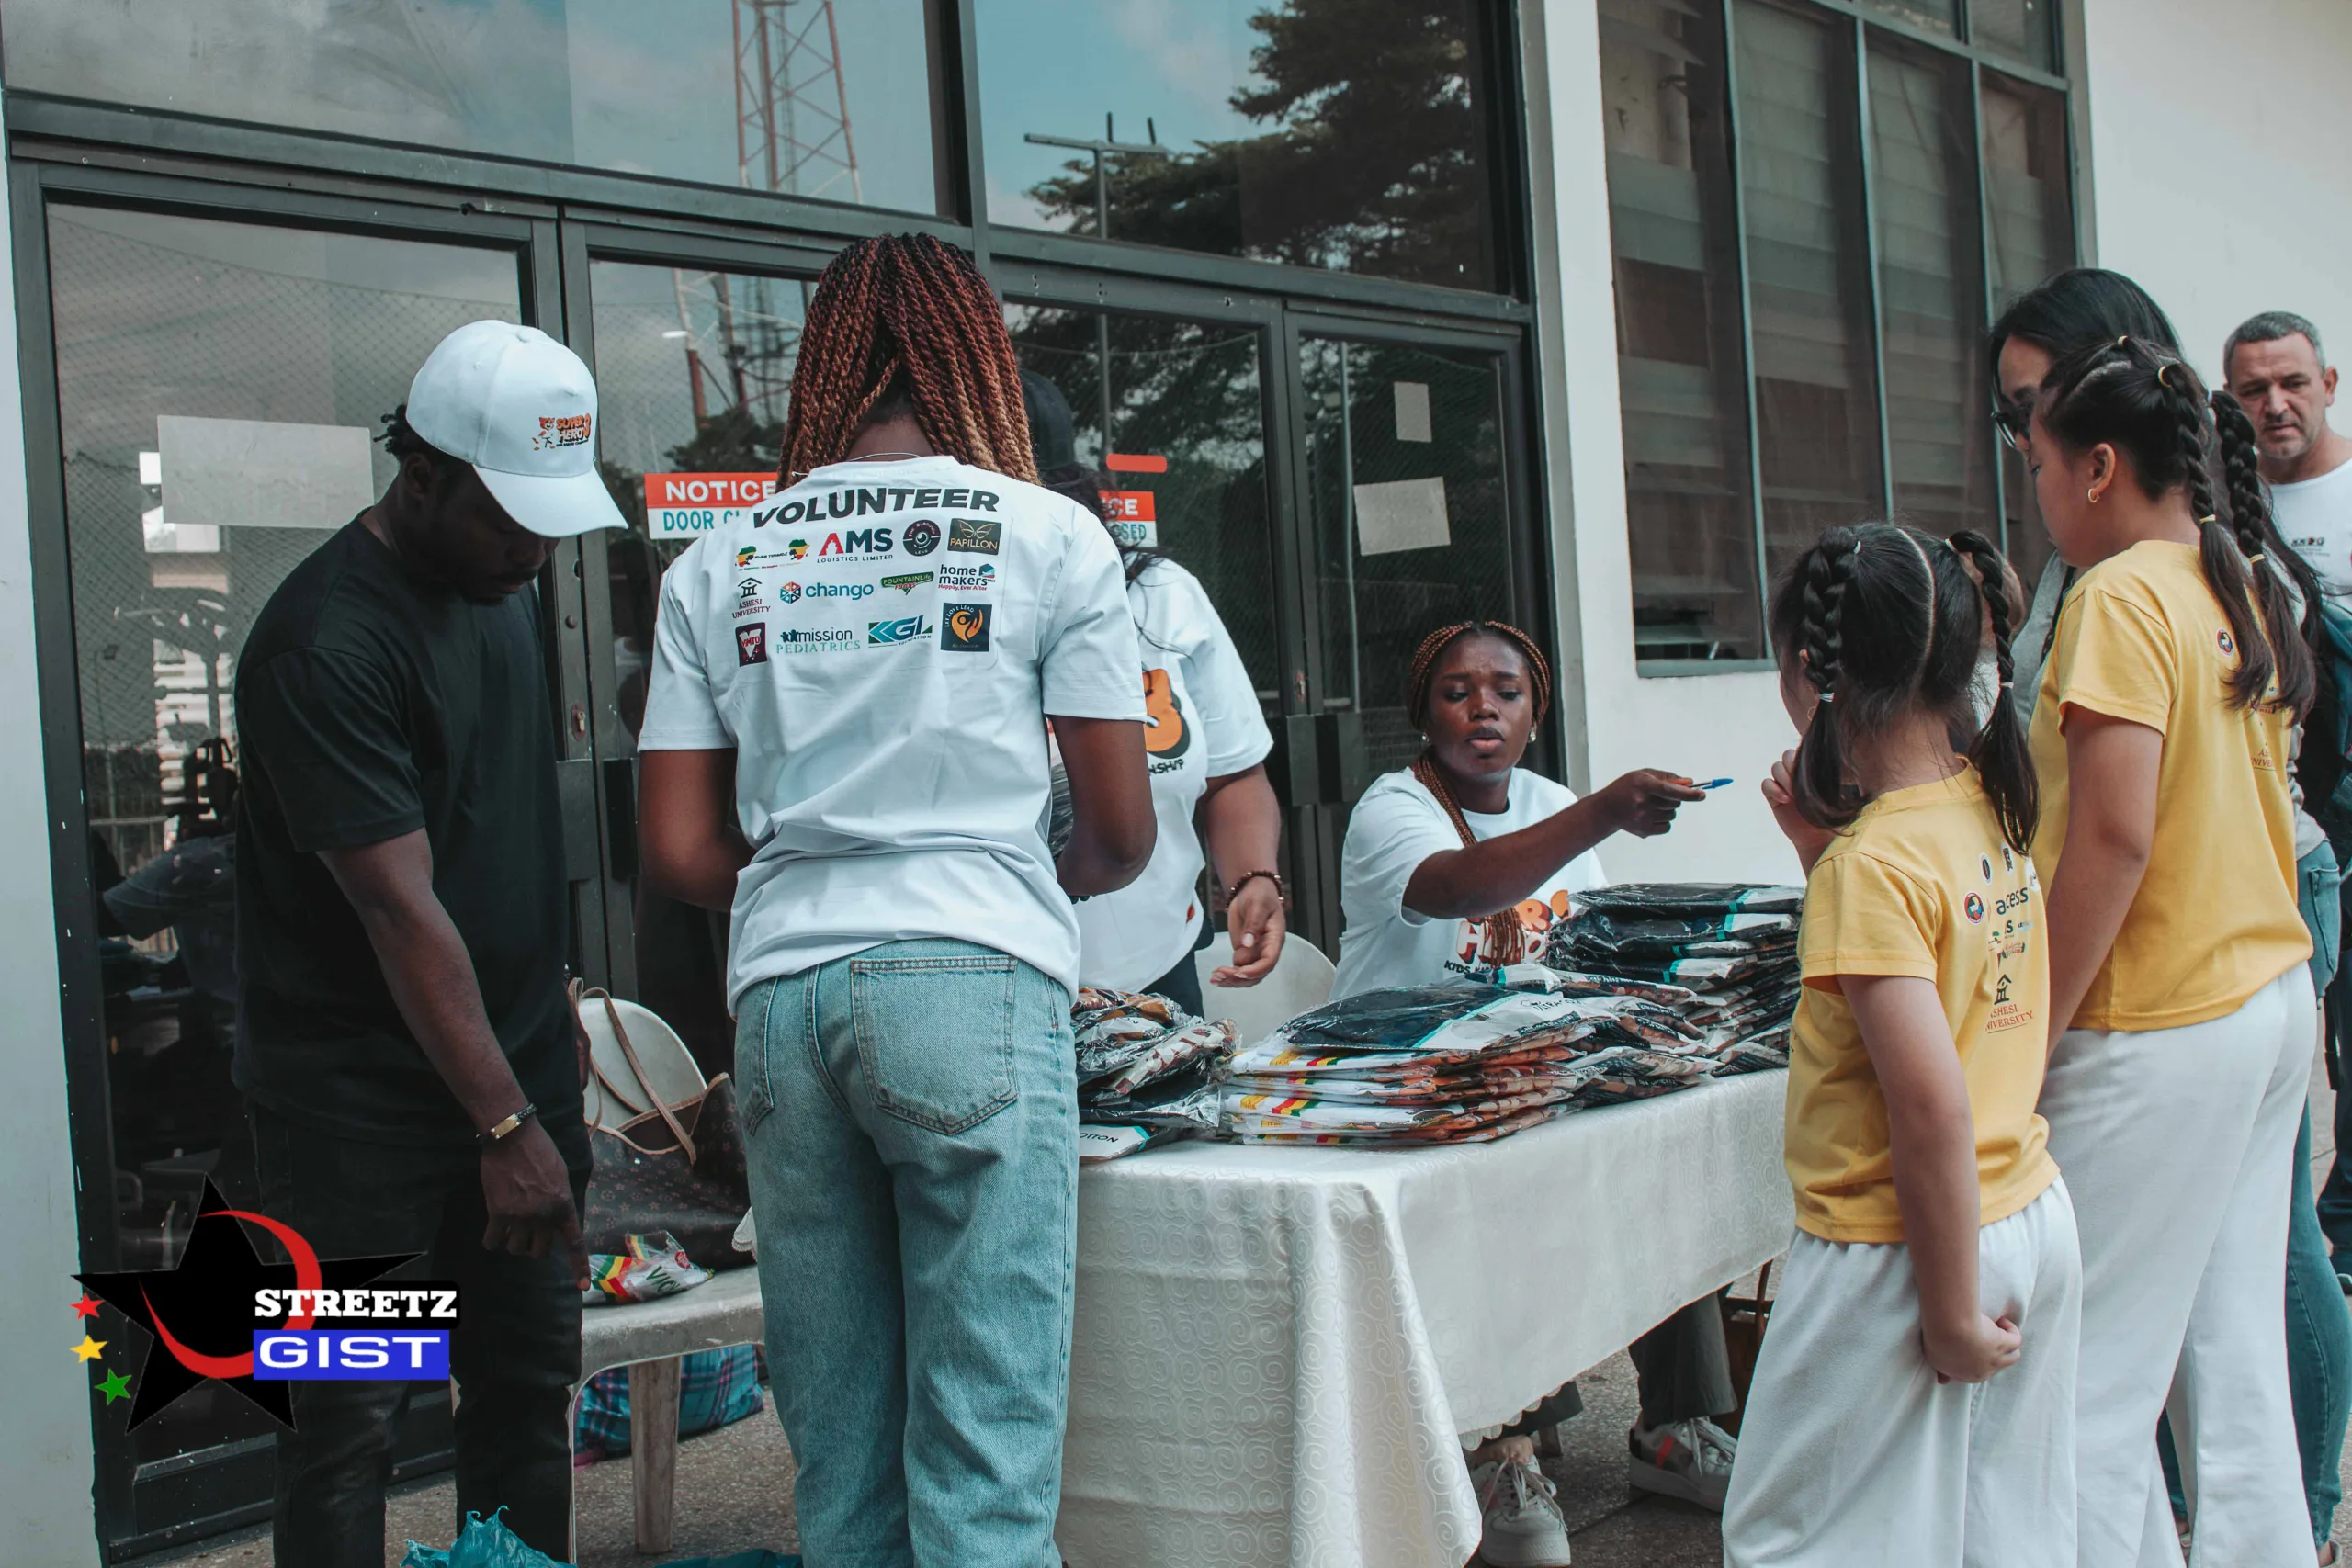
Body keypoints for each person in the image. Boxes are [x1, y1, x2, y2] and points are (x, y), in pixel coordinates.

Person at [635, 232, 1155, 1568]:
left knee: (841, 1452)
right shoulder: (1051, 536)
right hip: (971, 980)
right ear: (978, 353)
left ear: (823, 365)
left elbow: (680, 848)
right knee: (986, 1450)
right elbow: (1119, 834)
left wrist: (819, 867)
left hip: (782, 1002)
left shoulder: (718, 560)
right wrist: (1007, 877)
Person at [232, 320, 624, 1565]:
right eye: (511, 520)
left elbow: (488, 835)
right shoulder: (322, 643)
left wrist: (548, 1013)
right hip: (356, 1118)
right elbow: (398, 907)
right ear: (420, 476)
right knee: (349, 1426)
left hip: (511, 1079)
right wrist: (506, 1127)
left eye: (549, 521)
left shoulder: (497, 592)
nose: (535, 549)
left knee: (523, 1396)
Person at [1996, 273, 2352, 1559]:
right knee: (2232, 1352)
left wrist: (2028, 1037)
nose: (2033, 484)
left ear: (2097, 466)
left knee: (2086, 1385)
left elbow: (2114, 836)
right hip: (2262, 1000)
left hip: (2161, 1017)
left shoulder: (2116, 597)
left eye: (2037, 456)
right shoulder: (2226, 573)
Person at [1328, 619, 1724, 1568]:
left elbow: (1587, 943)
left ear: (1535, 714)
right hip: (1407, 1088)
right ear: (1424, 714)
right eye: (1458, 691)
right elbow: (1458, 887)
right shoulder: (1393, 808)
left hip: (1531, 1070)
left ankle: (1674, 1427)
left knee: (1661, 1144)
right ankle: (1506, 1450)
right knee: (1509, 1179)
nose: (1483, 709)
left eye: (1506, 692)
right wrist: (1605, 809)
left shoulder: (1549, 802)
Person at [1724, 522, 2078, 1566]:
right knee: (1998, 1534)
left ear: (1809, 672)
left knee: (1798, 1540)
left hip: (1898, 1249)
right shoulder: (1989, 804)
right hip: (2023, 1212)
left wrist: (1950, 1310)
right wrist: (1820, 856)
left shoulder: (1871, 867)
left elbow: (1928, 1102)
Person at [1018, 371, 1286, 1010]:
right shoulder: (946, 615)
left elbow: (1233, 773)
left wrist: (1252, 877)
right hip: (1001, 988)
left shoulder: (1159, 594)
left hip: (1160, 972)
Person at [2225, 310, 2352, 595]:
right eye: (2254, 390)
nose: (2275, 406)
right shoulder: (2216, 497)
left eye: (2294, 384)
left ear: (2328, 385)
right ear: (2230, 400)